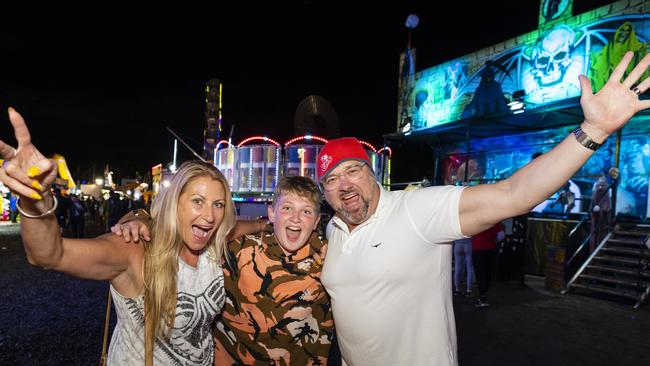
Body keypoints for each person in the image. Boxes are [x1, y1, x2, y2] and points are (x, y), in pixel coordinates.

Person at [315, 52, 650, 365]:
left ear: (371, 173)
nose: (344, 185)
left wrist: (593, 130)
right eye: (331, 179)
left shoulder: (416, 210)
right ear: (325, 192)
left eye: (352, 171)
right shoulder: (335, 229)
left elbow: (513, 194)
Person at [0, 112, 236, 365]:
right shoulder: (135, 247)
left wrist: (273, 220)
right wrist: (35, 202)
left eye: (218, 204)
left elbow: (246, 226)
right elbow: (48, 255)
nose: (210, 216)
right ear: (174, 203)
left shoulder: (214, 241)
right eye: (198, 201)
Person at [114, 176, 335, 364]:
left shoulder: (332, 260)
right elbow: (193, 230)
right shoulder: (239, 250)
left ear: (316, 221)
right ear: (271, 213)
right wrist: (139, 218)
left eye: (306, 211)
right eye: (287, 208)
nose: (295, 218)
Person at [471, 222, 505, 308]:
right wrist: (493, 240)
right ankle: (484, 295)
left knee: (479, 274)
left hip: (477, 249)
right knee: (487, 273)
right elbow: (501, 235)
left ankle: (482, 296)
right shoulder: (493, 221)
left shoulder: (476, 220)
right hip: (490, 249)